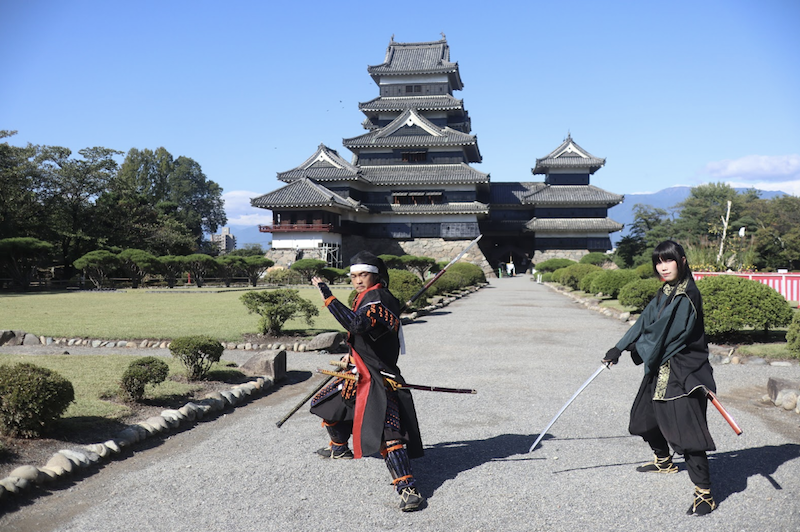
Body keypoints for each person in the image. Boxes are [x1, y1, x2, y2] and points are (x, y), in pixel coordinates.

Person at [602, 240, 717, 516]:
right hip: (661, 366)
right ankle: (664, 461)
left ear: (683, 260)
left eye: (668, 260)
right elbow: (646, 322)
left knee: (687, 431)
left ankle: (705, 493)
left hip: (683, 370)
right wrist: (620, 345)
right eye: (658, 261)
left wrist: (636, 347)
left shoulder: (687, 295)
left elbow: (666, 334)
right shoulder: (666, 290)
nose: (662, 267)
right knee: (642, 420)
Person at [309, 251, 425, 512]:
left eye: (362, 275)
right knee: (327, 403)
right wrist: (352, 355)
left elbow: (358, 325)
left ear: (375, 274)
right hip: (359, 368)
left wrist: (327, 295)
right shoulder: (369, 296)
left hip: (378, 375)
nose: (357, 280)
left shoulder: (379, 298)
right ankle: (339, 447)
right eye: (353, 276)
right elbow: (366, 335)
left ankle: (408, 489)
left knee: (389, 431)